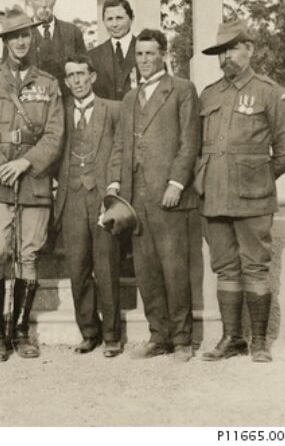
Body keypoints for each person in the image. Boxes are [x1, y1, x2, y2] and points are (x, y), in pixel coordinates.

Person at [196, 20, 285, 363]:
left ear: (249, 49)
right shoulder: (210, 94)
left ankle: (259, 342)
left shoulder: (270, 91)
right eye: (221, 51)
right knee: (225, 267)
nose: (226, 57)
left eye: (232, 49)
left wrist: (259, 175)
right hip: (215, 195)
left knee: (255, 266)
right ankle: (231, 338)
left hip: (253, 198)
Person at [0, 6, 64, 361]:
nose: (20, 42)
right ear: (4, 41)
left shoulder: (48, 84)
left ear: (32, 38)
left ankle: (21, 332)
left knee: (27, 255)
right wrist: (0, 165)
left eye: (25, 35)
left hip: (33, 181)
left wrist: (26, 161)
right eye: (14, 37)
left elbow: (55, 134)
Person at [107, 28, 200, 362]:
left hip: (169, 196)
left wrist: (176, 183)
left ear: (163, 53)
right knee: (146, 270)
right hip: (136, 198)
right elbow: (120, 145)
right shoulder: (131, 98)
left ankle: (183, 340)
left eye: (150, 53)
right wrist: (115, 185)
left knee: (174, 268)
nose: (144, 60)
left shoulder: (182, 90)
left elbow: (190, 142)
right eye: (140, 54)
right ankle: (158, 336)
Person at [55, 54, 122, 357]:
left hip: (101, 196)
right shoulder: (59, 111)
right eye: (71, 76)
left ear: (93, 77)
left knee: (105, 265)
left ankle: (111, 335)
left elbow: (122, 150)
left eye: (82, 74)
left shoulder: (113, 109)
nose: (77, 81)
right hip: (71, 196)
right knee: (77, 265)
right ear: (66, 81)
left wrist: (114, 188)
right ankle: (89, 331)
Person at [26, 0, 86, 84]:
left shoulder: (72, 32)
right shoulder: (19, 34)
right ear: (29, 1)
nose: (44, 4)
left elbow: (84, 70)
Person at [89, 0, 138, 100]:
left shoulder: (146, 50)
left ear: (131, 19)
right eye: (109, 19)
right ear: (103, 21)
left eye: (119, 18)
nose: (114, 24)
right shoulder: (93, 56)